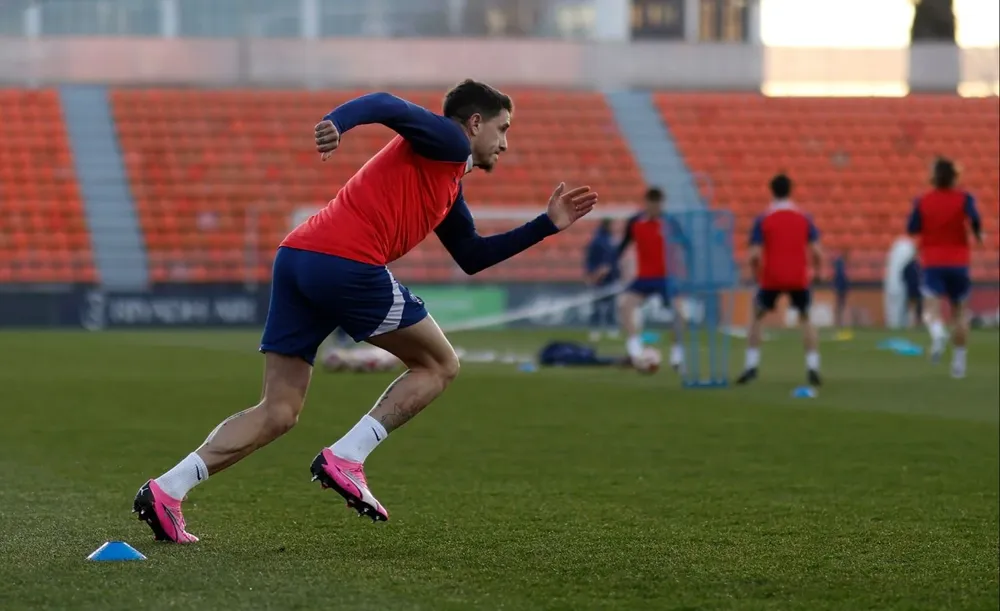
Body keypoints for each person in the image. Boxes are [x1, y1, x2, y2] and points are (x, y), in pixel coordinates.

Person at [132, 80, 599, 543]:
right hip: (345, 262)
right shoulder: (450, 139)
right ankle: (347, 457)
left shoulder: (448, 178)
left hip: (298, 256)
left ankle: (167, 490)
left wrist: (545, 225)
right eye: (502, 128)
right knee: (439, 364)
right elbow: (385, 103)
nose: (505, 142)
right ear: (475, 123)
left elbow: (472, 255)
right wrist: (338, 122)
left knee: (279, 411)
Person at [736, 174, 823, 387]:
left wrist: (755, 272)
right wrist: (818, 272)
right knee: (805, 319)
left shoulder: (764, 218)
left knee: (757, 318)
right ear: (790, 190)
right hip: (798, 277)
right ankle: (813, 367)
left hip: (772, 277)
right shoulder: (803, 218)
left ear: (771, 191)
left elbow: (754, 254)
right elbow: (817, 252)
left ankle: (751, 366)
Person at [906, 157, 982, 377]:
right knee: (960, 313)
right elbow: (975, 220)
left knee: (931, 309)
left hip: (933, 262)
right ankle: (959, 364)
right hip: (959, 261)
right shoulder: (964, 199)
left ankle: (938, 333)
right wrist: (977, 235)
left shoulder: (923, 201)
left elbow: (912, 227)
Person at [609, 187, 686, 371]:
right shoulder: (635, 222)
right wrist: (616, 267)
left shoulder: (670, 222)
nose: (655, 208)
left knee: (679, 313)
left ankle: (677, 356)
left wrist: (681, 266)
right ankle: (635, 350)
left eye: (658, 205)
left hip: (667, 277)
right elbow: (622, 247)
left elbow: (685, 244)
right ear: (647, 204)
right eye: (652, 204)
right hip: (644, 277)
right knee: (625, 305)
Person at [584, 218, 619, 341]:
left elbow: (614, 259)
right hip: (598, 278)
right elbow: (590, 259)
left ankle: (611, 327)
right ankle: (595, 329)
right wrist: (593, 273)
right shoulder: (597, 240)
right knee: (597, 306)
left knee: (611, 305)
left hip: (611, 277)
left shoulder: (612, 239)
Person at [902, 255, 923, 327]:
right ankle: (911, 324)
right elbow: (904, 276)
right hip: (912, 290)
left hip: (921, 291)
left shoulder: (923, 265)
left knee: (922, 308)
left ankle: (921, 324)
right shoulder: (909, 266)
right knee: (912, 308)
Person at [833, 249, 850, 328]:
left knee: (841, 306)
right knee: (840, 306)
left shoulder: (841, 265)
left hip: (841, 287)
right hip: (841, 287)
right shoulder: (840, 265)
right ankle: (839, 322)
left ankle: (840, 322)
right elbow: (839, 277)